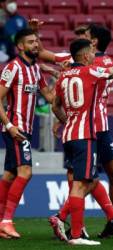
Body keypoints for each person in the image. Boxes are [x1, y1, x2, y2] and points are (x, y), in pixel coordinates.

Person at [50, 23, 113, 239]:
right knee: (83, 178)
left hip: (99, 129)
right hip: (83, 130)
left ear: (94, 42)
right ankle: (73, 224)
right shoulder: (81, 65)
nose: (83, 36)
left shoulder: (100, 64)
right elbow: (42, 54)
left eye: (86, 35)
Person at [0, 28, 53, 239]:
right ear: (20, 46)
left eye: (36, 41)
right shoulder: (13, 67)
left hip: (26, 130)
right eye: (31, 42)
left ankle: (0, 222)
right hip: (16, 128)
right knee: (26, 172)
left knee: (10, 175)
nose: (36, 45)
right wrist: (10, 126)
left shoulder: (36, 70)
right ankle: (7, 221)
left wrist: (61, 76)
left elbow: (49, 97)